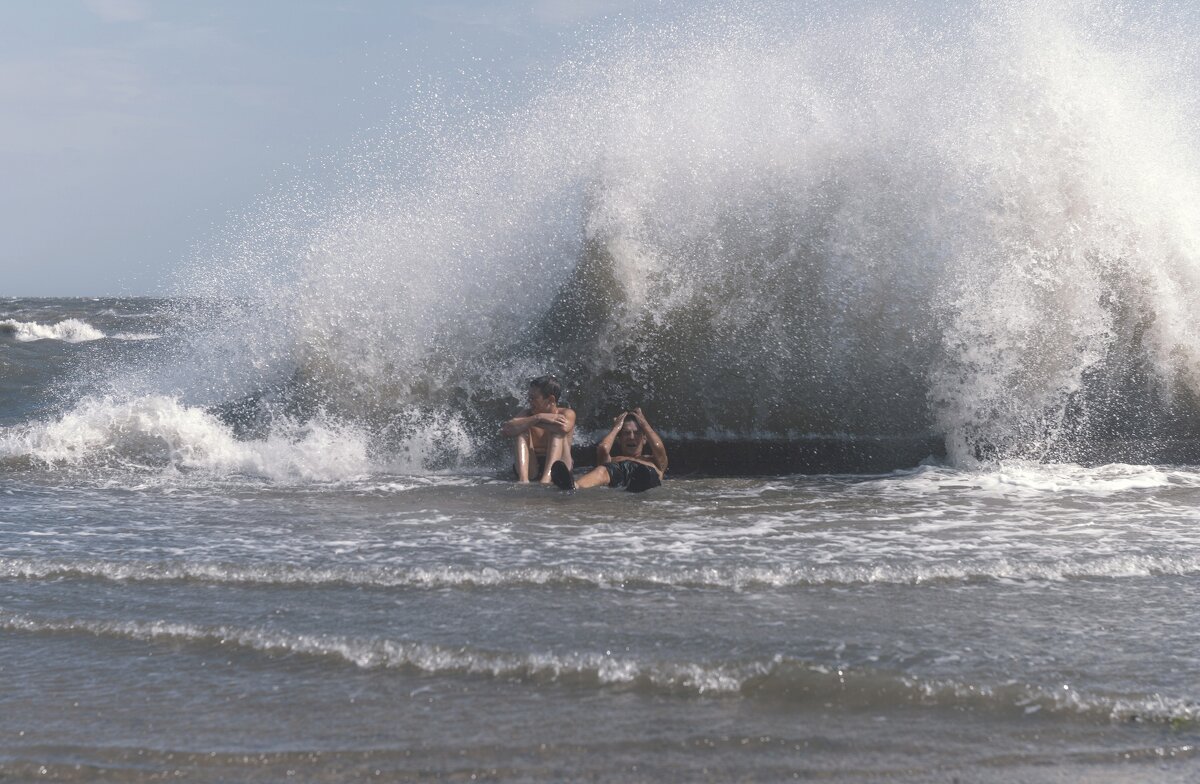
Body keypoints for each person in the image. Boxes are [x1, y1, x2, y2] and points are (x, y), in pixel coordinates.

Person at [551, 407, 667, 492]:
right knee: (602, 470)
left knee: (647, 472)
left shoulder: (654, 461)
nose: (631, 437)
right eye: (626, 433)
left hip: (644, 473)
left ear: (644, 439)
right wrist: (616, 427)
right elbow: (603, 448)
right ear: (619, 439)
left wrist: (644, 424)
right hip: (618, 472)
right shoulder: (614, 460)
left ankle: (639, 485)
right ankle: (573, 485)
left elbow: (658, 446)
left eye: (637, 433)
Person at [500, 375, 576, 484]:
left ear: (550, 399)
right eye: (529, 397)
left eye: (533, 398)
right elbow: (506, 429)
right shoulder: (529, 414)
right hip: (532, 468)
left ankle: (546, 479)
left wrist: (531, 422)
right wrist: (538, 417)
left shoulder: (566, 413)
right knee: (520, 431)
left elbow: (563, 428)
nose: (529, 401)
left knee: (557, 432)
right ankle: (523, 480)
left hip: (559, 468)